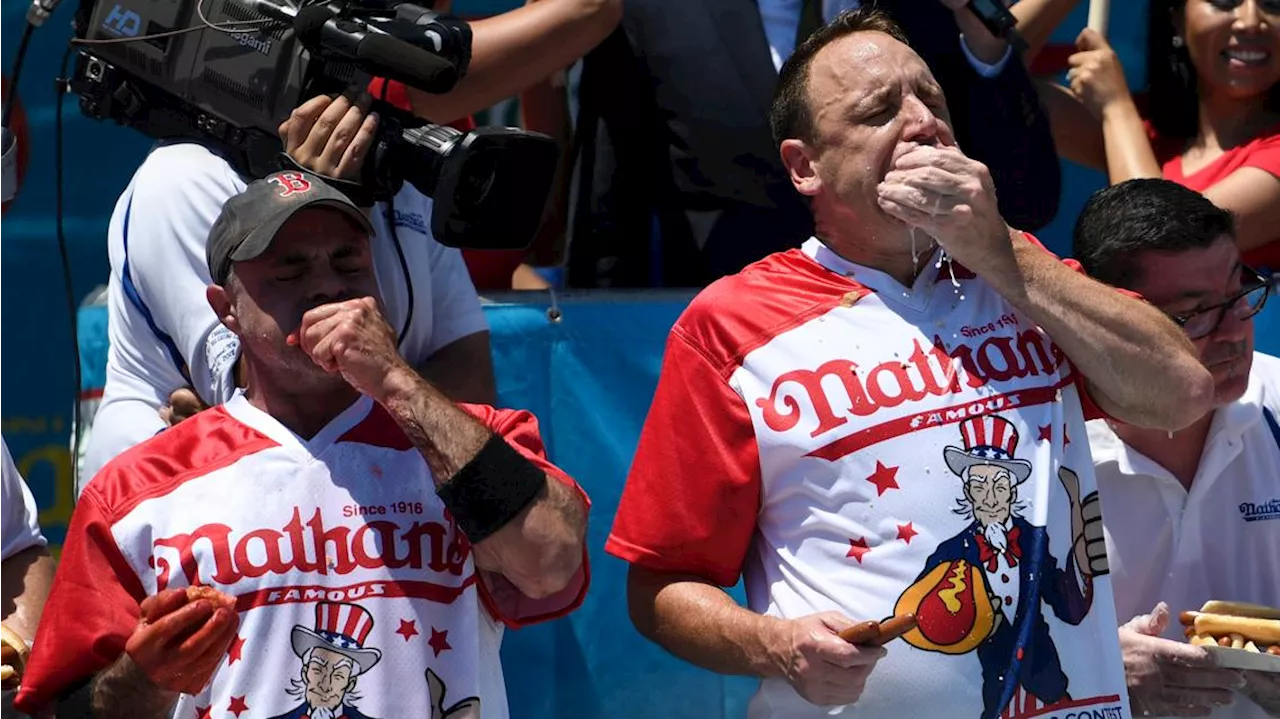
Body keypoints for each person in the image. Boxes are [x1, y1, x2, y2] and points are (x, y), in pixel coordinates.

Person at [604, 9, 1216, 719]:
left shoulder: (1023, 275)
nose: (923, 121)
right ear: (806, 166)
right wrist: (772, 644)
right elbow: (661, 587)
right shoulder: (731, 325)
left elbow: (1182, 391)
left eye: (933, 99)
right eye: (880, 110)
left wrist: (997, 248)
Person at [14, 170, 590, 719]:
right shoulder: (137, 490)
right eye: (289, 271)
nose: (327, 284)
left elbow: (550, 562)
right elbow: (61, 705)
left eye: (348, 262)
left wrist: (396, 381)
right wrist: (147, 679)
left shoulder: (467, 440)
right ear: (226, 311)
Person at [79, 0, 622, 488]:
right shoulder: (180, 179)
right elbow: (277, 404)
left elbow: (473, 382)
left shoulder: (401, 178)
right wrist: (317, 202)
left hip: (361, 526)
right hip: (175, 536)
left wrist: (395, 396)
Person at [567, 0, 1062, 289]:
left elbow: (1026, 202)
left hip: (929, 346)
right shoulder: (654, 10)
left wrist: (980, 32)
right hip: (737, 350)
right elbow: (610, 211)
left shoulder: (934, 12)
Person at [1073, 178, 1280, 719]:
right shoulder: (1038, 442)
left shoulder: (1277, 402)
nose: (1236, 332)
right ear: (1111, 318)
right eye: (1197, 314)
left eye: (1241, 293)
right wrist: (1093, 667)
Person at [1021, 0, 1280, 271]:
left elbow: (1157, 250)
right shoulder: (1151, 131)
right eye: (1224, 1)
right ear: (1177, 19)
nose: (1250, 21)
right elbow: (989, 77)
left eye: (1274, 5)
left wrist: (1115, 107)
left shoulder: (1124, 118)